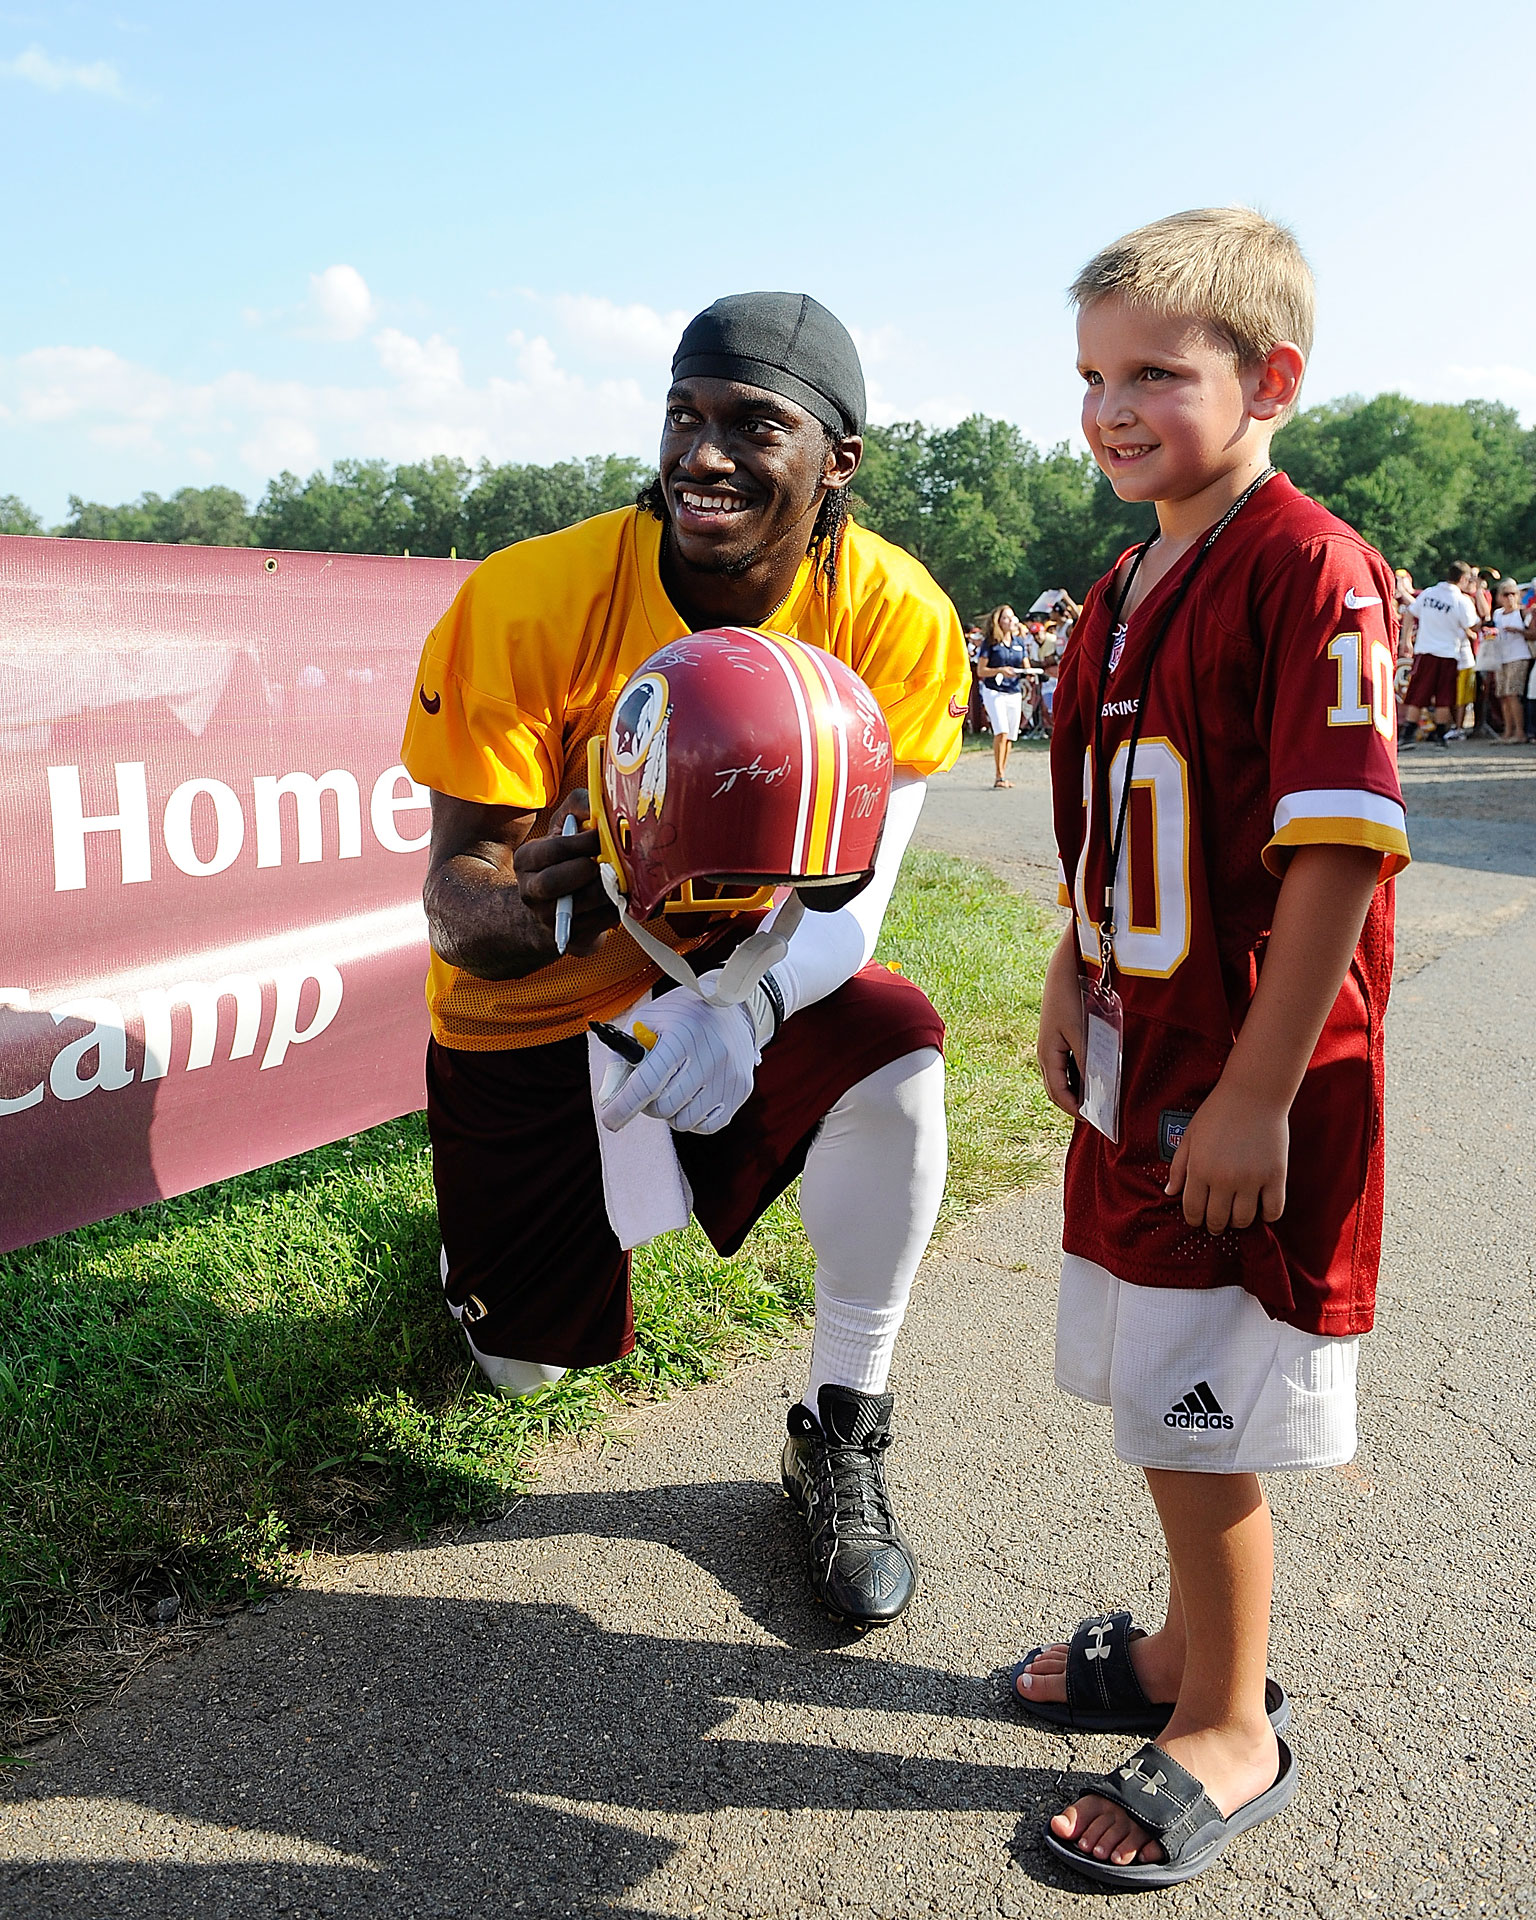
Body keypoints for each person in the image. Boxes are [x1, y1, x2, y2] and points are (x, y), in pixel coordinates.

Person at [399, 292, 970, 1631]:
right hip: (537, 1015)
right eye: (683, 415)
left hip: (737, 982)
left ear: (837, 462)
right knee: (522, 1374)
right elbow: (453, 904)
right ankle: (482, 1270)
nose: (702, 454)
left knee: (899, 1054)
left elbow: (855, 899)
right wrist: (601, 886)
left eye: (750, 425)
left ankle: (841, 1426)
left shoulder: (892, 616)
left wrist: (742, 1002)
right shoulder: (537, 597)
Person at [1017, 207, 1408, 1889]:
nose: (1112, 408)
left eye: (1157, 375)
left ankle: (1230, 1720)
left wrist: (1257, 1088)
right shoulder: (1124, 574)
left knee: (1199, 1412)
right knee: (1151, 1383)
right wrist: (1064, 965)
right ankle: (1188, 1650)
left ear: (1273, 380)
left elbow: (1336, 843)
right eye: (1093, 375)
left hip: (1238, 1080)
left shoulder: (1308, 564)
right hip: (1141, 1052)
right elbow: (1119, 822)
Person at [1401, 563, 1480, 748]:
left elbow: (1410, 613)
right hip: (1448, 652)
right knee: (1444, 697)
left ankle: (1408, 734)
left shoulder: (1429, 593)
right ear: (1462, 579)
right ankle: (1439, 735)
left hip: (1426, 649)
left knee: (1418, 694)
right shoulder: (1461, 601)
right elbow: (1472, 623)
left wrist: (1406, 640)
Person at [979, 604, 1028, 786]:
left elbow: (1025, 665)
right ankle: (999, 775)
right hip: (994, 691)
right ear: (998, 622)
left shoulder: (1018, 642)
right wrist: (1000, 670)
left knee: (1010, 736)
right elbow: (981, 671)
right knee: (1001, 731)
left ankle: (1003, 773)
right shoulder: (990, 642)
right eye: (1006, 618)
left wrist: (1029, 672)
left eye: (1012, 617)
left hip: (1013, 691)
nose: (1010, 620)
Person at [1484, 577, 1532, 742]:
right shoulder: (1497, 614)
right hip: (1501, 657)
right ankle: (1508, 731)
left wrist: (1518, 631)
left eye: (1513, 594)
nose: (1510, 597)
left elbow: (1532, 634)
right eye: (1506, 594)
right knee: (1503, 695)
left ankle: (1519, 732)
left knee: (1513, 694)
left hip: (1518, 656)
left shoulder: (1522, 612)